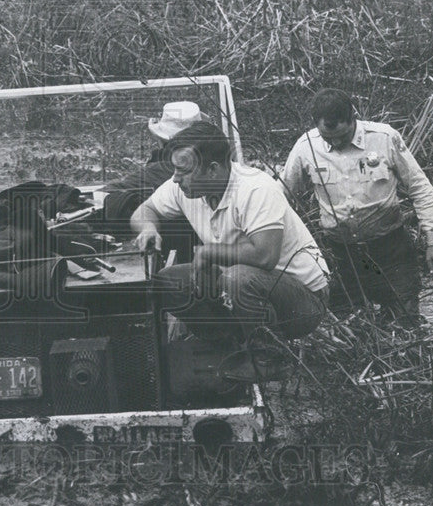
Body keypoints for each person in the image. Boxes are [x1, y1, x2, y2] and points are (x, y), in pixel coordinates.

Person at [130, 121, 329, 354]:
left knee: (237, 278)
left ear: (213, 169)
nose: (175, 179)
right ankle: (223, 347)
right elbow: (144, 211)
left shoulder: (255, 188)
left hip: (302, 301)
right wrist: (148, 229)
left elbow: (265, 256)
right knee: (168, 281)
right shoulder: (184, 188)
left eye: (183, 171)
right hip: (245, 291)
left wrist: (210, 252)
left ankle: (267, 358)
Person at [281, 88, 433, 322]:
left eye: (342, 136)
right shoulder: (306, 147)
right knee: (351, 327)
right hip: (341, 256)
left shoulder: (385, 138)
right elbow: (282, 194)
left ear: (353, 117)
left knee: (405, 323)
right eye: (328, 138)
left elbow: (420, 187)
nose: (336, 143)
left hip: (392, 251)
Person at [102, 101, 205, 260]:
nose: (178, 177)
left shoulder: (161, 171)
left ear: (162, 140)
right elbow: (147, 209)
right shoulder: (183, 176)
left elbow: (106, 195)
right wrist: (148, 227)